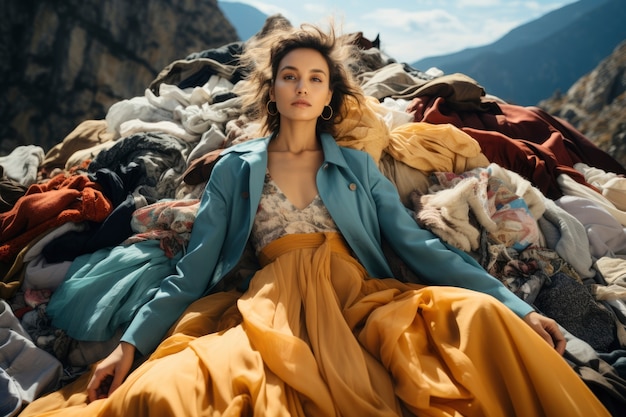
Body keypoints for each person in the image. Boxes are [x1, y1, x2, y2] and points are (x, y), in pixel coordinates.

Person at [21, 23, 609, 417]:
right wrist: (128, 346)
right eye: (290, 76)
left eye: (315, 78)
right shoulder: (236, 167)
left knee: (479, 321)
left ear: (329, 95)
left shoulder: (355, 164)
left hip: (358, 297)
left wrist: (520, 306)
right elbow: (193, 273)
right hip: (270, 304)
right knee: (168, 393)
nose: (302, 88)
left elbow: (422, 247)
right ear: (271, 89)